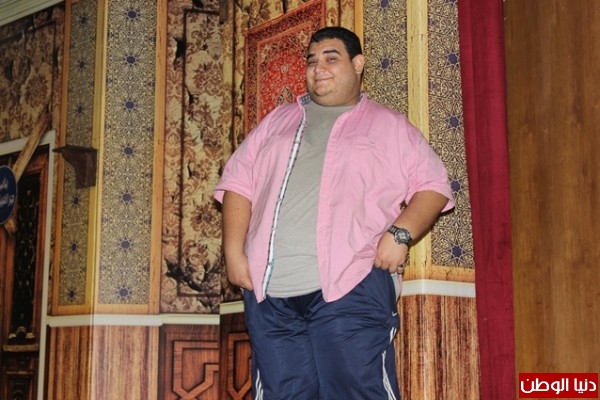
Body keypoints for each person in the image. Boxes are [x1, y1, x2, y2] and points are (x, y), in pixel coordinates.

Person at [214, 26, 454, 400]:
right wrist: (233, 252)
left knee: (358, 392)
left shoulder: (389, 125)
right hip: (270, 294)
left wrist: (400, 234)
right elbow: (237, 183)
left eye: (331, 58)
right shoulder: (277, 121)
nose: (318, 68)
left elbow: (434, 185)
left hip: (351, 285)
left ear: (358, 64)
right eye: (312, 60)